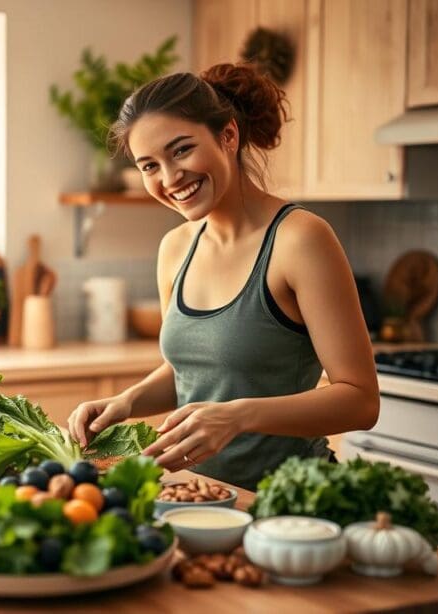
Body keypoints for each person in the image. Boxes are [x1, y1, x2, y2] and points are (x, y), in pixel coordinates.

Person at [67, 64, 379, 491]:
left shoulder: (299, 239)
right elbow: (194, 372)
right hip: (201, 496)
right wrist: (125, 403)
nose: (170, 178)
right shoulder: (175, 248)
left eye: (181, 150)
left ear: (228, 136)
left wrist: (238, 416)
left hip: (289, 499)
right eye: (149, 165)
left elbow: (360, 399)